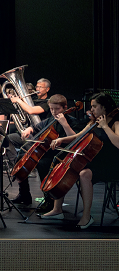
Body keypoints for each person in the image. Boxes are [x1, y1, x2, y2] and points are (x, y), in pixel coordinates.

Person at [41, 93, 119, 228]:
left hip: (110, 165)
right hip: (94, 161)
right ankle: (57, 209)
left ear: (104, 107)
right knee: (65, 166)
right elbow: (78, 136)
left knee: (84, 174)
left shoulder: (115, 122)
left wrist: (105, 126)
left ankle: (86, 217)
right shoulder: (93, 123)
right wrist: (61, 139)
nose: (92, 109)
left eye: (95, 106)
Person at [10, 94, 81, 210]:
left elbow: (75, 139)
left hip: (63, 153)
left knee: (42, 163)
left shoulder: (72, 121)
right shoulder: (51, 119)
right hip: (48, 151)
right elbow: (37, 127)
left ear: (65, 107)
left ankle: (49, 199)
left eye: (57, 109)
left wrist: (64, 124)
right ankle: (24, 194)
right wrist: (30, 129)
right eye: (51, 109)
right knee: (22, 155)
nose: (54, 112)